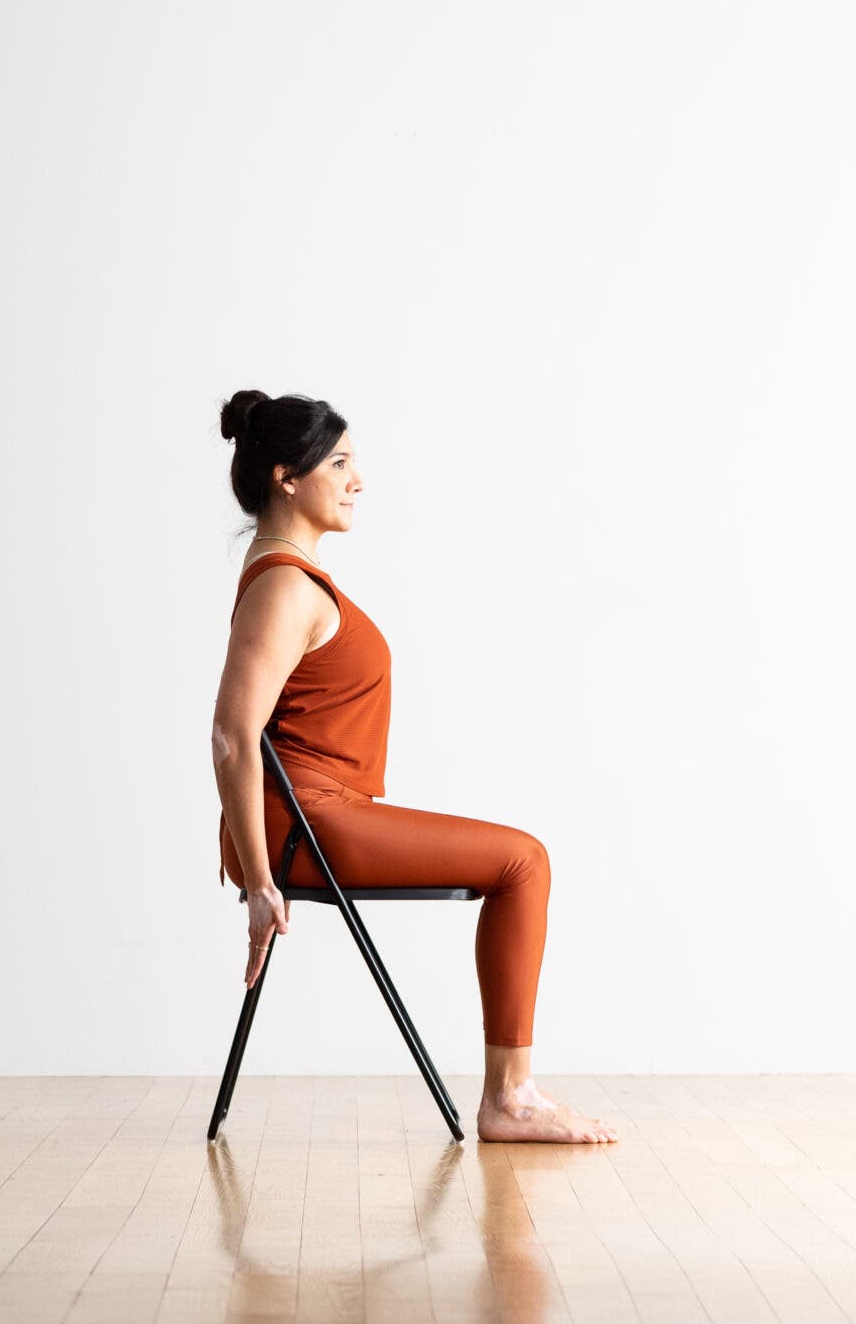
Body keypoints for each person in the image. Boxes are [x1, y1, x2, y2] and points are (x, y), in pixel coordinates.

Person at [209, 389, 618, 1145]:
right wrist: (262, 884)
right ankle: (510, 1099)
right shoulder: (284, 586)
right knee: (524, 861)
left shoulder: (288, 576)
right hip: (302, 824)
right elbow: (234, 736)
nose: (358, 480)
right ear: (286, 478)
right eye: (339, 462)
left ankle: (511, 1095)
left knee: (521, 859)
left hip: (317, 815)